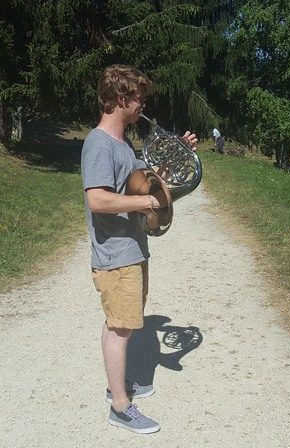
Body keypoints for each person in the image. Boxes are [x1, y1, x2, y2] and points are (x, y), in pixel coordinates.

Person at [81, 64, 197, 434]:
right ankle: (119, 405)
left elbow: (138, 184)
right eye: (139, 97)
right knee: (119, 327)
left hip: (131, 248)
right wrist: (147, 206)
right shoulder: (99, 143)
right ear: (121, 98)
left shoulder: (122, 144)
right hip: (115, 254)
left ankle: (119, 385)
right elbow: (98, 200)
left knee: (126, 324)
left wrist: (177, 154)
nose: (143, 103)